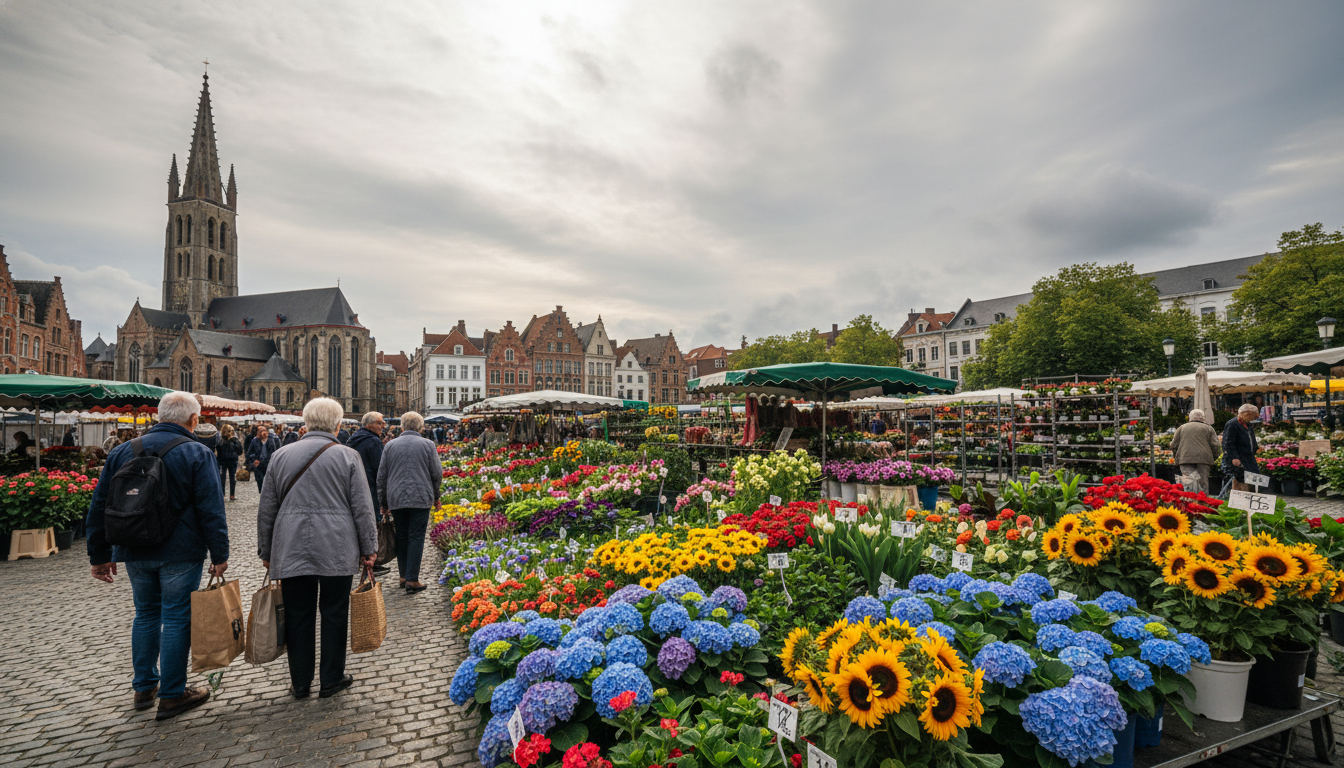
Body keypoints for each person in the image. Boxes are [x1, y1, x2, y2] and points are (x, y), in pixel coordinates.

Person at [85, 391, 229, 720]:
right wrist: (219, 554)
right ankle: (173, 694)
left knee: (146, 615)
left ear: (158, 416)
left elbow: (100, 506)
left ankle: (144, 686)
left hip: (134, 547)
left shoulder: (123, 451)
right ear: (194, 420)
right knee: (176, 618)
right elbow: (211, 510)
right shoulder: (196, 452)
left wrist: (99, 554)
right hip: (181, 550)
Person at [257, 397, 376, 700]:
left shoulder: (281, 455)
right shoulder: (348, 456)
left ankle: (300, 682)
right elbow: (362, 507)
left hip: (291, 544)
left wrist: (266, 551)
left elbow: (267, 508)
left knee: (298, 614)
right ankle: (331, 678)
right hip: (337, 544)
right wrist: (369, 547)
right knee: (334, 612)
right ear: (337, 424)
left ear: (306, 423)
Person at [377, 411, 442, 594]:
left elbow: (381, 476)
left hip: (396, 497)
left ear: (402, 427)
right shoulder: (428, 445)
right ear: (421, 428)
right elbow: (436, 474)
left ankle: (403, 576)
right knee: (416, 537)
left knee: (402, 536)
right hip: (420, 497)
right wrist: (436, 496)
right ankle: (412, 579)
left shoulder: (390, 446)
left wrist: (383, 501)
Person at [346, 412, 387, 574]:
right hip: (370, 488)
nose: (383, 426)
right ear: (369, 425)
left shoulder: (353, 439)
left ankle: (357, 560)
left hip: (354, 487)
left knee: (356, 524)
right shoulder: (373, 441)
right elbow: (380, 470)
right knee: (372, 525)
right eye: (379, 423)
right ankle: (372, 563)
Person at [1171, 409, 1220, 494]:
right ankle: (1203, 503)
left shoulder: (1181, 428)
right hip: (1204, 459)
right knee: (1203, 483)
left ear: (1190, 417)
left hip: (1185, 458)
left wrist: (1177, 457)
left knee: (1188, 482)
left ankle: (1190, 503)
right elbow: (1215, 445)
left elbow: (1173, 445)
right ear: (1203, 418)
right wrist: (1213, 457)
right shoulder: (1209, 428)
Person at [1222, 403, 1261, 492]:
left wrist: (1254, 448)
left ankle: (1249, 499)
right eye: (1253, 416)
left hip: (1248, 457)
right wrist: (1234, 457)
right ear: (1246, 414)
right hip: (1238, 459)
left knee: (1252, 479)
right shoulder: (1232, 424)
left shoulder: (1247, 424)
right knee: (1238, 481)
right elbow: (1228, 443)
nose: (1255, 418)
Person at [245, 425, 281, 494]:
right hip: (259, 464)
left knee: (269, 482)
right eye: (261, 430)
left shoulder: (272, 439)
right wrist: (254, 460)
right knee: (260, 481)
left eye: (264, 430)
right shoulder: (255, 440)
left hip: (269, 463)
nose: (263, 432)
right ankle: (262, 496)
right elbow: (249, 453)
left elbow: (276, 451)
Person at [215, 423, 243, 501]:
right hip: (222, 460)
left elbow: (239, 451)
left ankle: (232, 495)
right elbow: (219, 448)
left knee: (232, 477)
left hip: (232, 460)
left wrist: (232, 440)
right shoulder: (220, 439)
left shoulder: (234, 439)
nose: (233, 432)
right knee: (222, 478)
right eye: (231, 430)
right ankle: (222, 494)